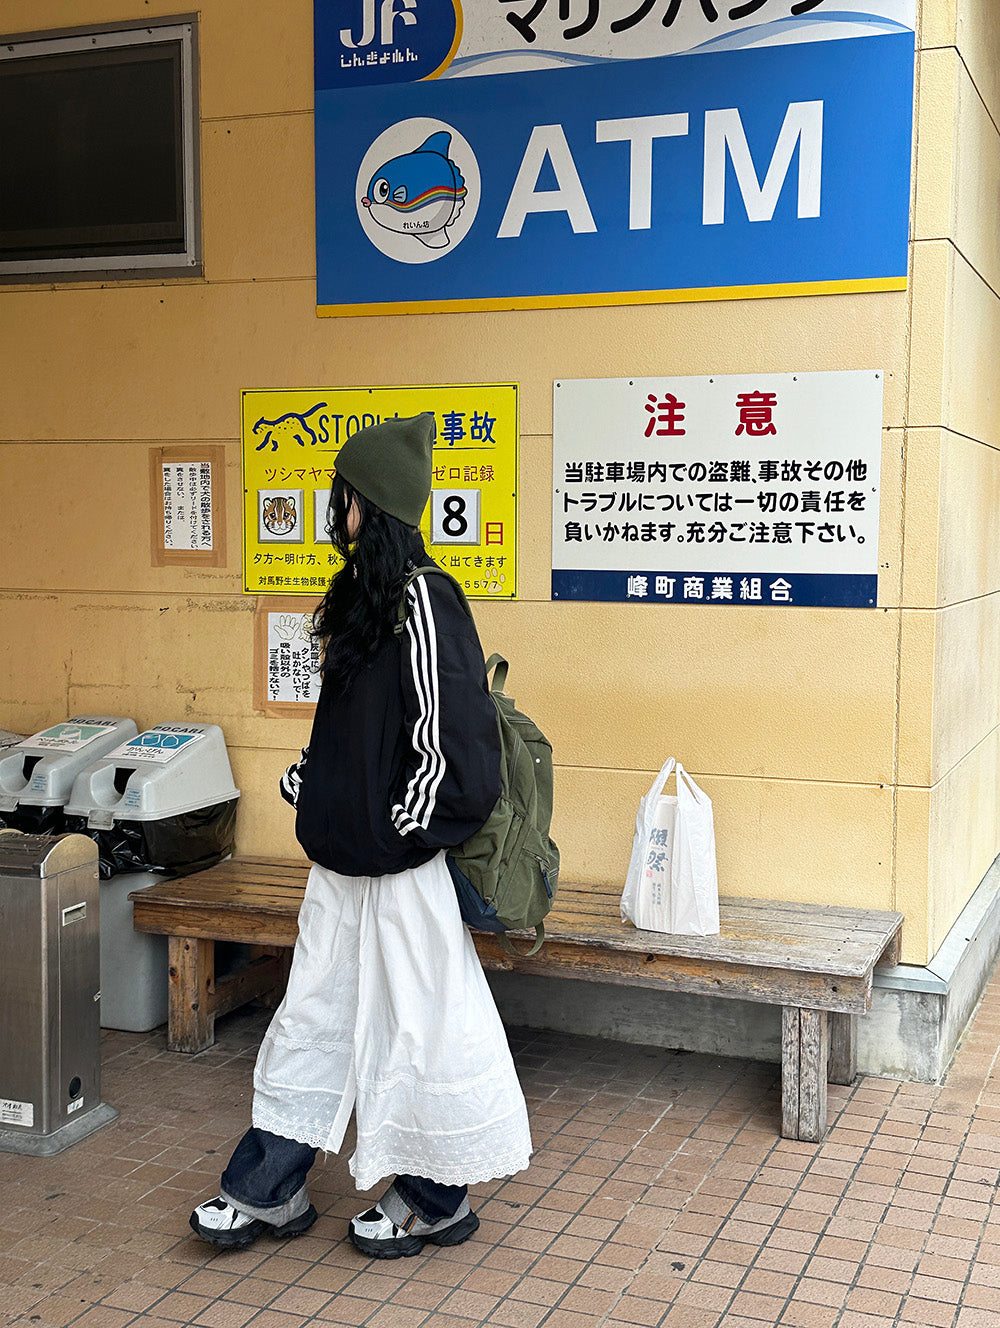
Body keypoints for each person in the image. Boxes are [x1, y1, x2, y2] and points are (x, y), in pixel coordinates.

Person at [189, 413, 532, 1258]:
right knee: (315, 1017)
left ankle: (434, 1196)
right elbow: (342, 731)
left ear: (363, 503)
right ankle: (266, 1188)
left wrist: (405, 827)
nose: (329, 507)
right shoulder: (361, 601)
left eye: (338, 493)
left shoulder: (426, 597)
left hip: (402, 868)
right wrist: (315, 793)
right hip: (341, 866)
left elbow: (458, 742)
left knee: (425, 1027)